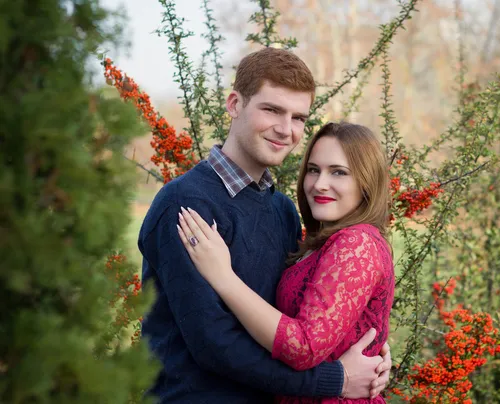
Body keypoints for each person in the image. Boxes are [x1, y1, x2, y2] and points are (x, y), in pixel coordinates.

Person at [139, 48, 392, 403]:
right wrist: (334, 379)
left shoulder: (283, 210)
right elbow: (213, 344)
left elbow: (301, 316)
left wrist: (369, 344)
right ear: (234, 104)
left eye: (298, 117)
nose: (285, 129)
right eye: (272, 110)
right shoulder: (187, 204)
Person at [178, 122, 395, 403]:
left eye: (339, 172)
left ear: (367, 183)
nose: (319, 184)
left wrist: (222, 276)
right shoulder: (323, 241)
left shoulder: (357, 243)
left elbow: (303, 346)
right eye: (314, 170)